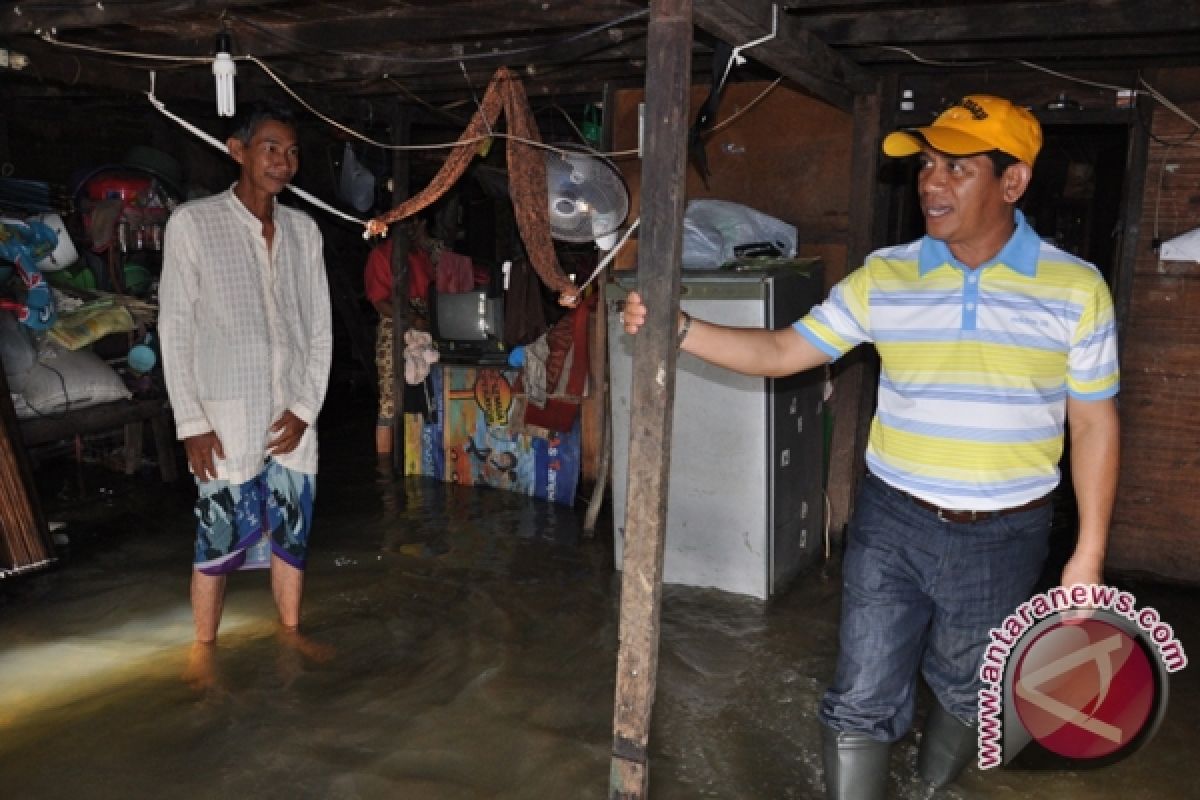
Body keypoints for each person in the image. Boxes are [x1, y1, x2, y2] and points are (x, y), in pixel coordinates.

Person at [621, 95, 1120, 799]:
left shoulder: (1076, 290)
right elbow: (787, 348)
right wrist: (680, 330)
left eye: (956, 167)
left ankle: (930, 785)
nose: (931, 183)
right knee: (861, 689)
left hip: (1007, 533)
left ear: (1014, 182)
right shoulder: (887, 275)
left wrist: (1088, 551)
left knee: (968, 681)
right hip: (893, 520)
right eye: (925, 166)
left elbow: (1094, 422)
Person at [159, 102, 333, 645]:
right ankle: (203, 652)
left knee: (292, 536)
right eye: (270, 148)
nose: (284, 162)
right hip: (224, 418)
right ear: (238, 152)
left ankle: (290, 635)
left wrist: (306, 409)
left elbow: (320, 331)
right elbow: (176, 329)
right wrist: (190, 422)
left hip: (291, 420)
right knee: (215, 543)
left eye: (292, 151)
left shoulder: (305, 233)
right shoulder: (193, 223)